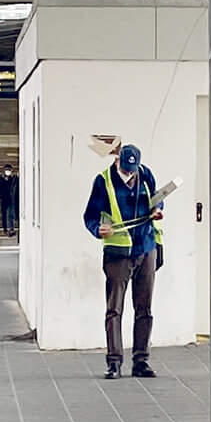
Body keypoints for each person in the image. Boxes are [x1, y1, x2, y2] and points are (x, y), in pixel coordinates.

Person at [84, 142, 163, 379]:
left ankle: (141, 361)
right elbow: (89, 215)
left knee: (144, 308)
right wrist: (98, 229)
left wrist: (158, 208)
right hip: (118, 254)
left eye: (133, 170)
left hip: (146, 249)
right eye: (126, 170)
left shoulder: (145, 173)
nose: (130, 174)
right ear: (117, 161)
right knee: (114, 309)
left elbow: (157, 198)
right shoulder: (103, 181)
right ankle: (114, 362)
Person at [0, 163, 20, 237]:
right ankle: (5, 228)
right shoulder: (0, 180)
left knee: (11, 214)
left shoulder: (13, 180)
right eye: (6, 170)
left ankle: (11, 229)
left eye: (9, 170)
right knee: (4, 214)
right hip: (4, 199)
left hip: (11, 199)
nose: (8, 171)